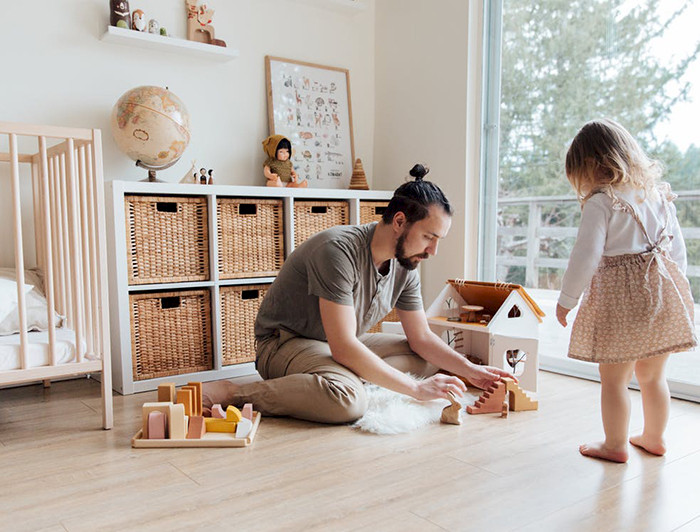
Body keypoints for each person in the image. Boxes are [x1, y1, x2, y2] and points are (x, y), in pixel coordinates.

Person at [203, 164, 513, 423]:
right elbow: (344, 347)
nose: (433, 250)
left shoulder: (406, 264)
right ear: (400, 222)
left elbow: (421, 338)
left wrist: (474, 372)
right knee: (349, 401)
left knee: (426, 361)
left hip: (338, 342)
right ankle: (236, 393)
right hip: (285, 343)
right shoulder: (337, 250)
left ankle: (342, 379)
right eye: (429, 237)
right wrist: (415, 391)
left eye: (438, 239)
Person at [556, 119, 697, 463]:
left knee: (614, 379)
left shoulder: (601, 202)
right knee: (652, 375)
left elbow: (585, 257)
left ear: (590, 166)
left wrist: (566, 301)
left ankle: (615, 445)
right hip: (662, 291)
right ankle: (654, 437)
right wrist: (683, 294)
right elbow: (677, 253)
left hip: (622, 300)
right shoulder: (658, 195)